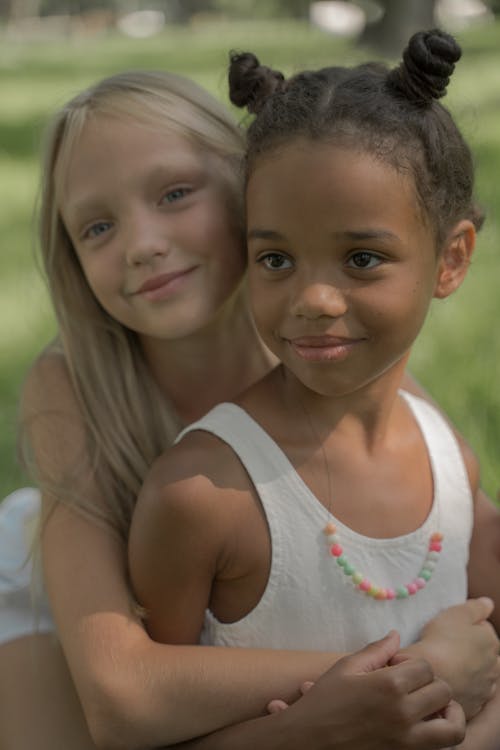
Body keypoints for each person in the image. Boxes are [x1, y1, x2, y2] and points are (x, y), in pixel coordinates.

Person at [0, 65, 497, 750]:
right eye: (97, 226)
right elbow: (123, 697)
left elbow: (466, 535)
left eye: (175, 194)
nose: (142, 244)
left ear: (249, 190)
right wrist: (416, 670)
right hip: (73, 612)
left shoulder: (323, 351)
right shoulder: (73, 380)